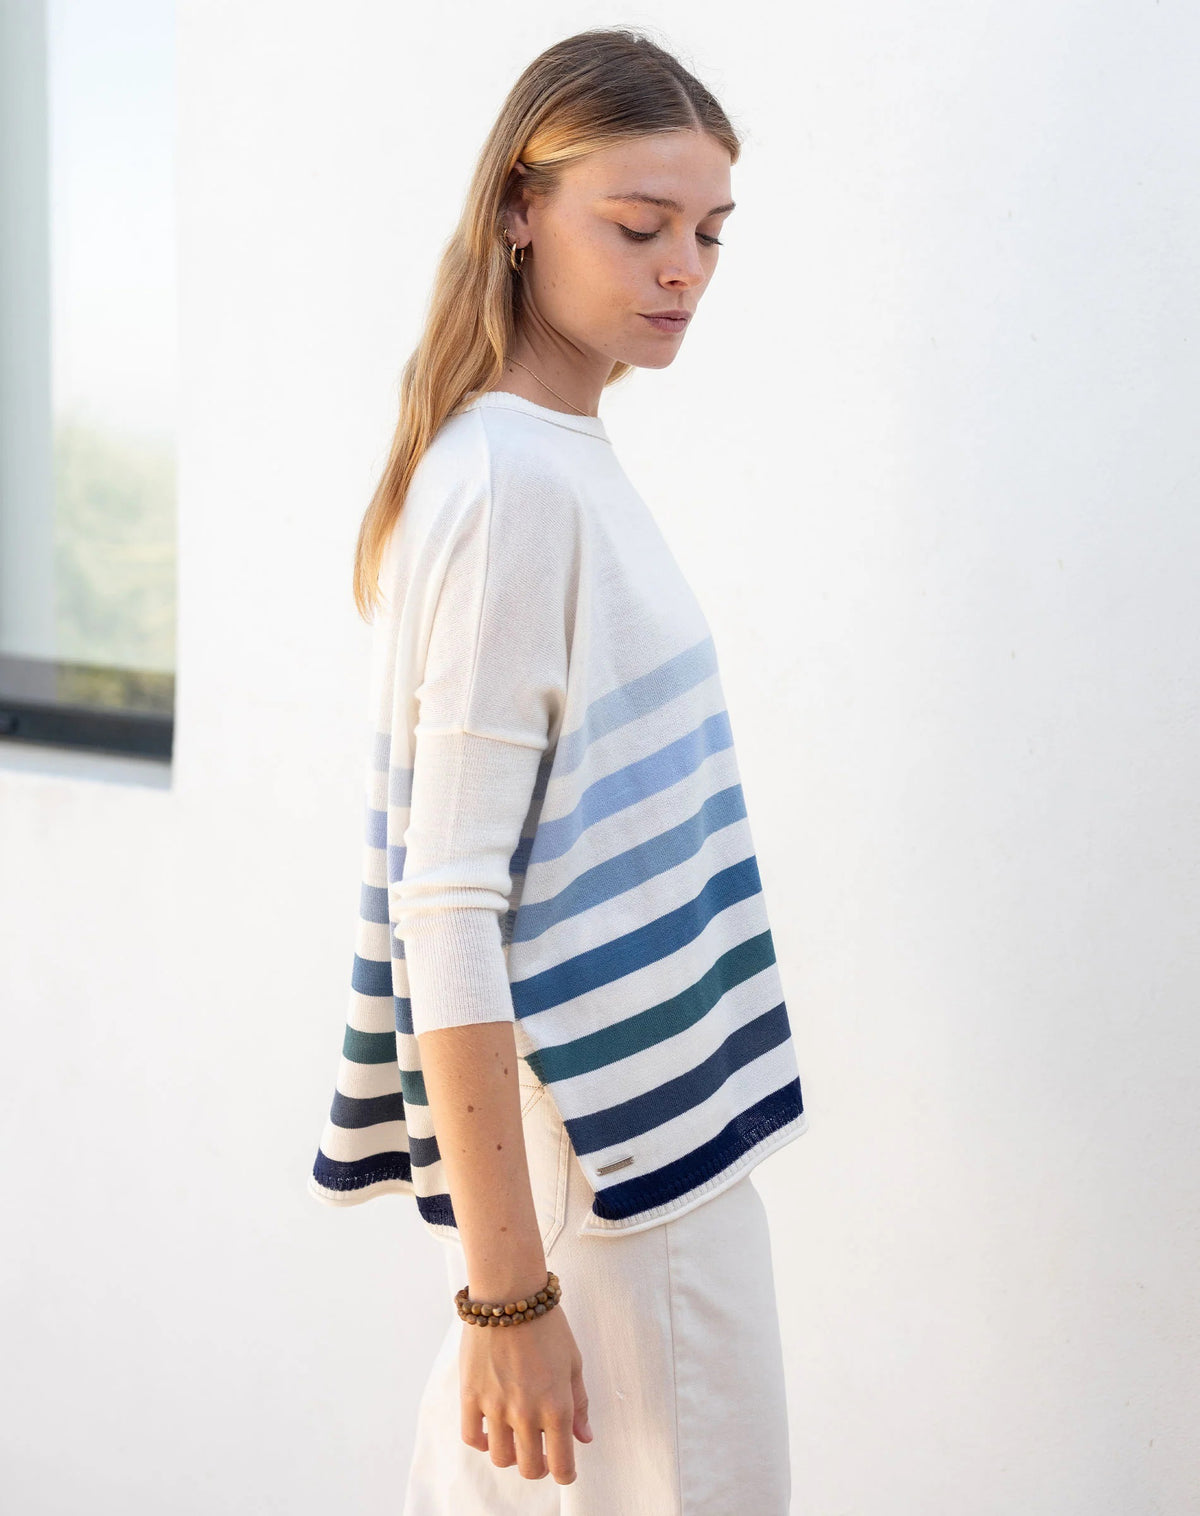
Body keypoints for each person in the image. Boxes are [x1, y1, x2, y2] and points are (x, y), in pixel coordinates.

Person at [308, 26, 809, 1514]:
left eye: (709, 234)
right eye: (640, 226)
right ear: (519, 212)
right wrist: (508, 1306)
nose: (685, 273)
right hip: (617, 1193)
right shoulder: (516, 480)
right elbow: (444, 905)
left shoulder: (544, 455)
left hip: (627, 1172)